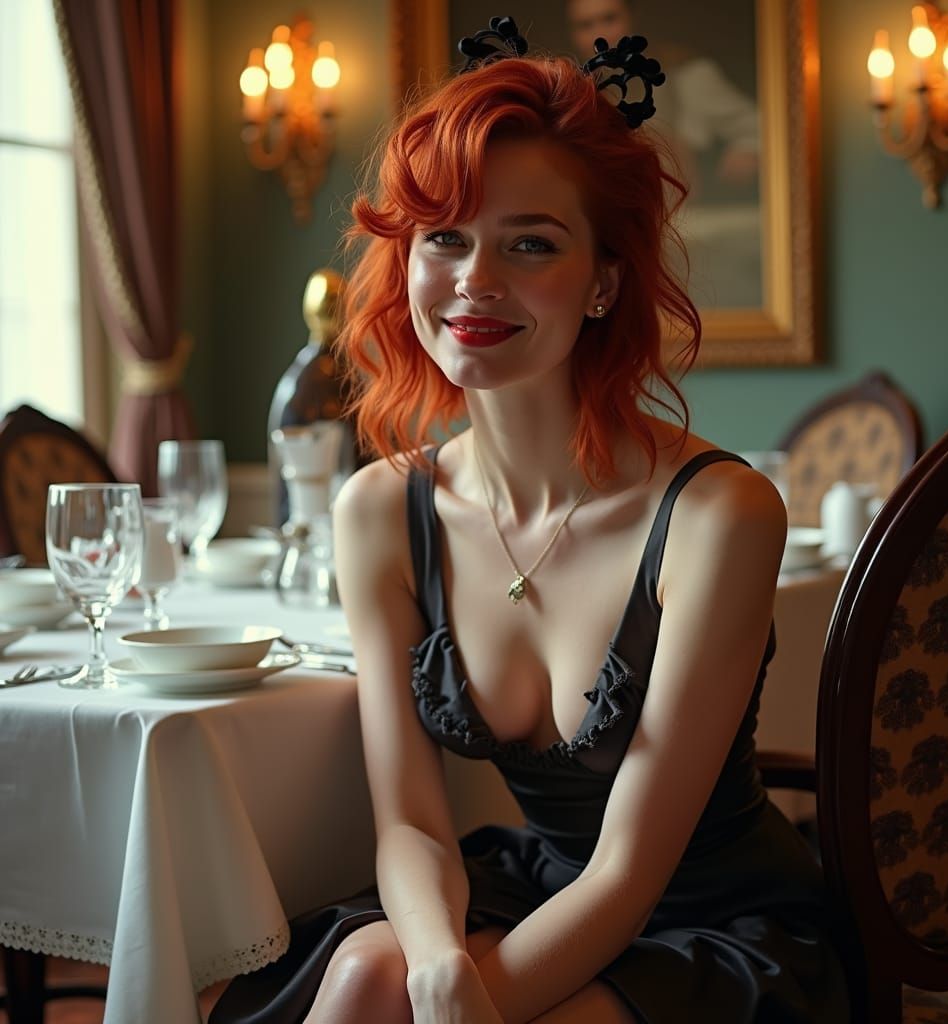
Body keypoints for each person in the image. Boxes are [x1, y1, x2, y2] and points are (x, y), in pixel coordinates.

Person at [211, 20, 848, 1024]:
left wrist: (470, 1008)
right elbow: (412, 826)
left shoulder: (718, 514)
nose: (476, 279)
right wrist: (437, 970)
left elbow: (630, 871)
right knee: (368, 976)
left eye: (530, 244)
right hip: (543, 886)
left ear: (603, 282)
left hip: (716, 923)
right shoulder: (380, 509)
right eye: (445, 239)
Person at [565, 0, 763, 308]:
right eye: (586, 25)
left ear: (633, 19)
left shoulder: (681, 75)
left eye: (609, 19)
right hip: (605, 242)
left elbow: (763, 128)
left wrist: (747, 149)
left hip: (675, 238)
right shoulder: (575, 93)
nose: (600, 35)